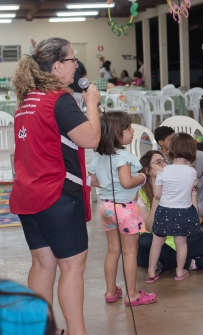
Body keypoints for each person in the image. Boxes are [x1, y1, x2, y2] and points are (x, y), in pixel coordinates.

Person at [10, 37, 100, 335]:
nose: (77, 65)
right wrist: (92, 105)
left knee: (43, 264)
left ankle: (41, 330)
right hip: (57, 196)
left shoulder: (26, 100)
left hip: (28, 195)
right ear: (58, 65)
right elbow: (91, 139)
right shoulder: (59, 99)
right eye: (73, 60)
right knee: (72, 267)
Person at [88, 111, 157, 307]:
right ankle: (132, 295)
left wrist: (108, 183)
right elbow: (127, 182)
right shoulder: (123, 156)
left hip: (107, 207)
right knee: (129, 252)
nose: (132, 131)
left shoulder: (100, 157)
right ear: (117, 134)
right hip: (125, 209)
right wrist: (142, 178)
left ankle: (111, 292)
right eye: (128, 128)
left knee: (113, 250)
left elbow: (92, 180)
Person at [137, 151, 203, 274]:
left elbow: (197, 220)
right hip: (157, 242)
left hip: (181, 241)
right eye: (159, 162)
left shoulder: (179, 185)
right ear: (146, 170)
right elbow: (150, 227)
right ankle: (190, 264)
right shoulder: (141, 194)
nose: (164, 165)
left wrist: (192, 190)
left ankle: (165, 264)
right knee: (144, 240)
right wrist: (159, 197)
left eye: (165, 162)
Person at [146, 133, 201, 282]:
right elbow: (192, 187)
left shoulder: (163, 171)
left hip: (164, 210)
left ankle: (151, 271)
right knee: (181, 243)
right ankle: (179, 271)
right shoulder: (192, 172)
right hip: (183, 211)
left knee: (157, 242)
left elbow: (157, 194)